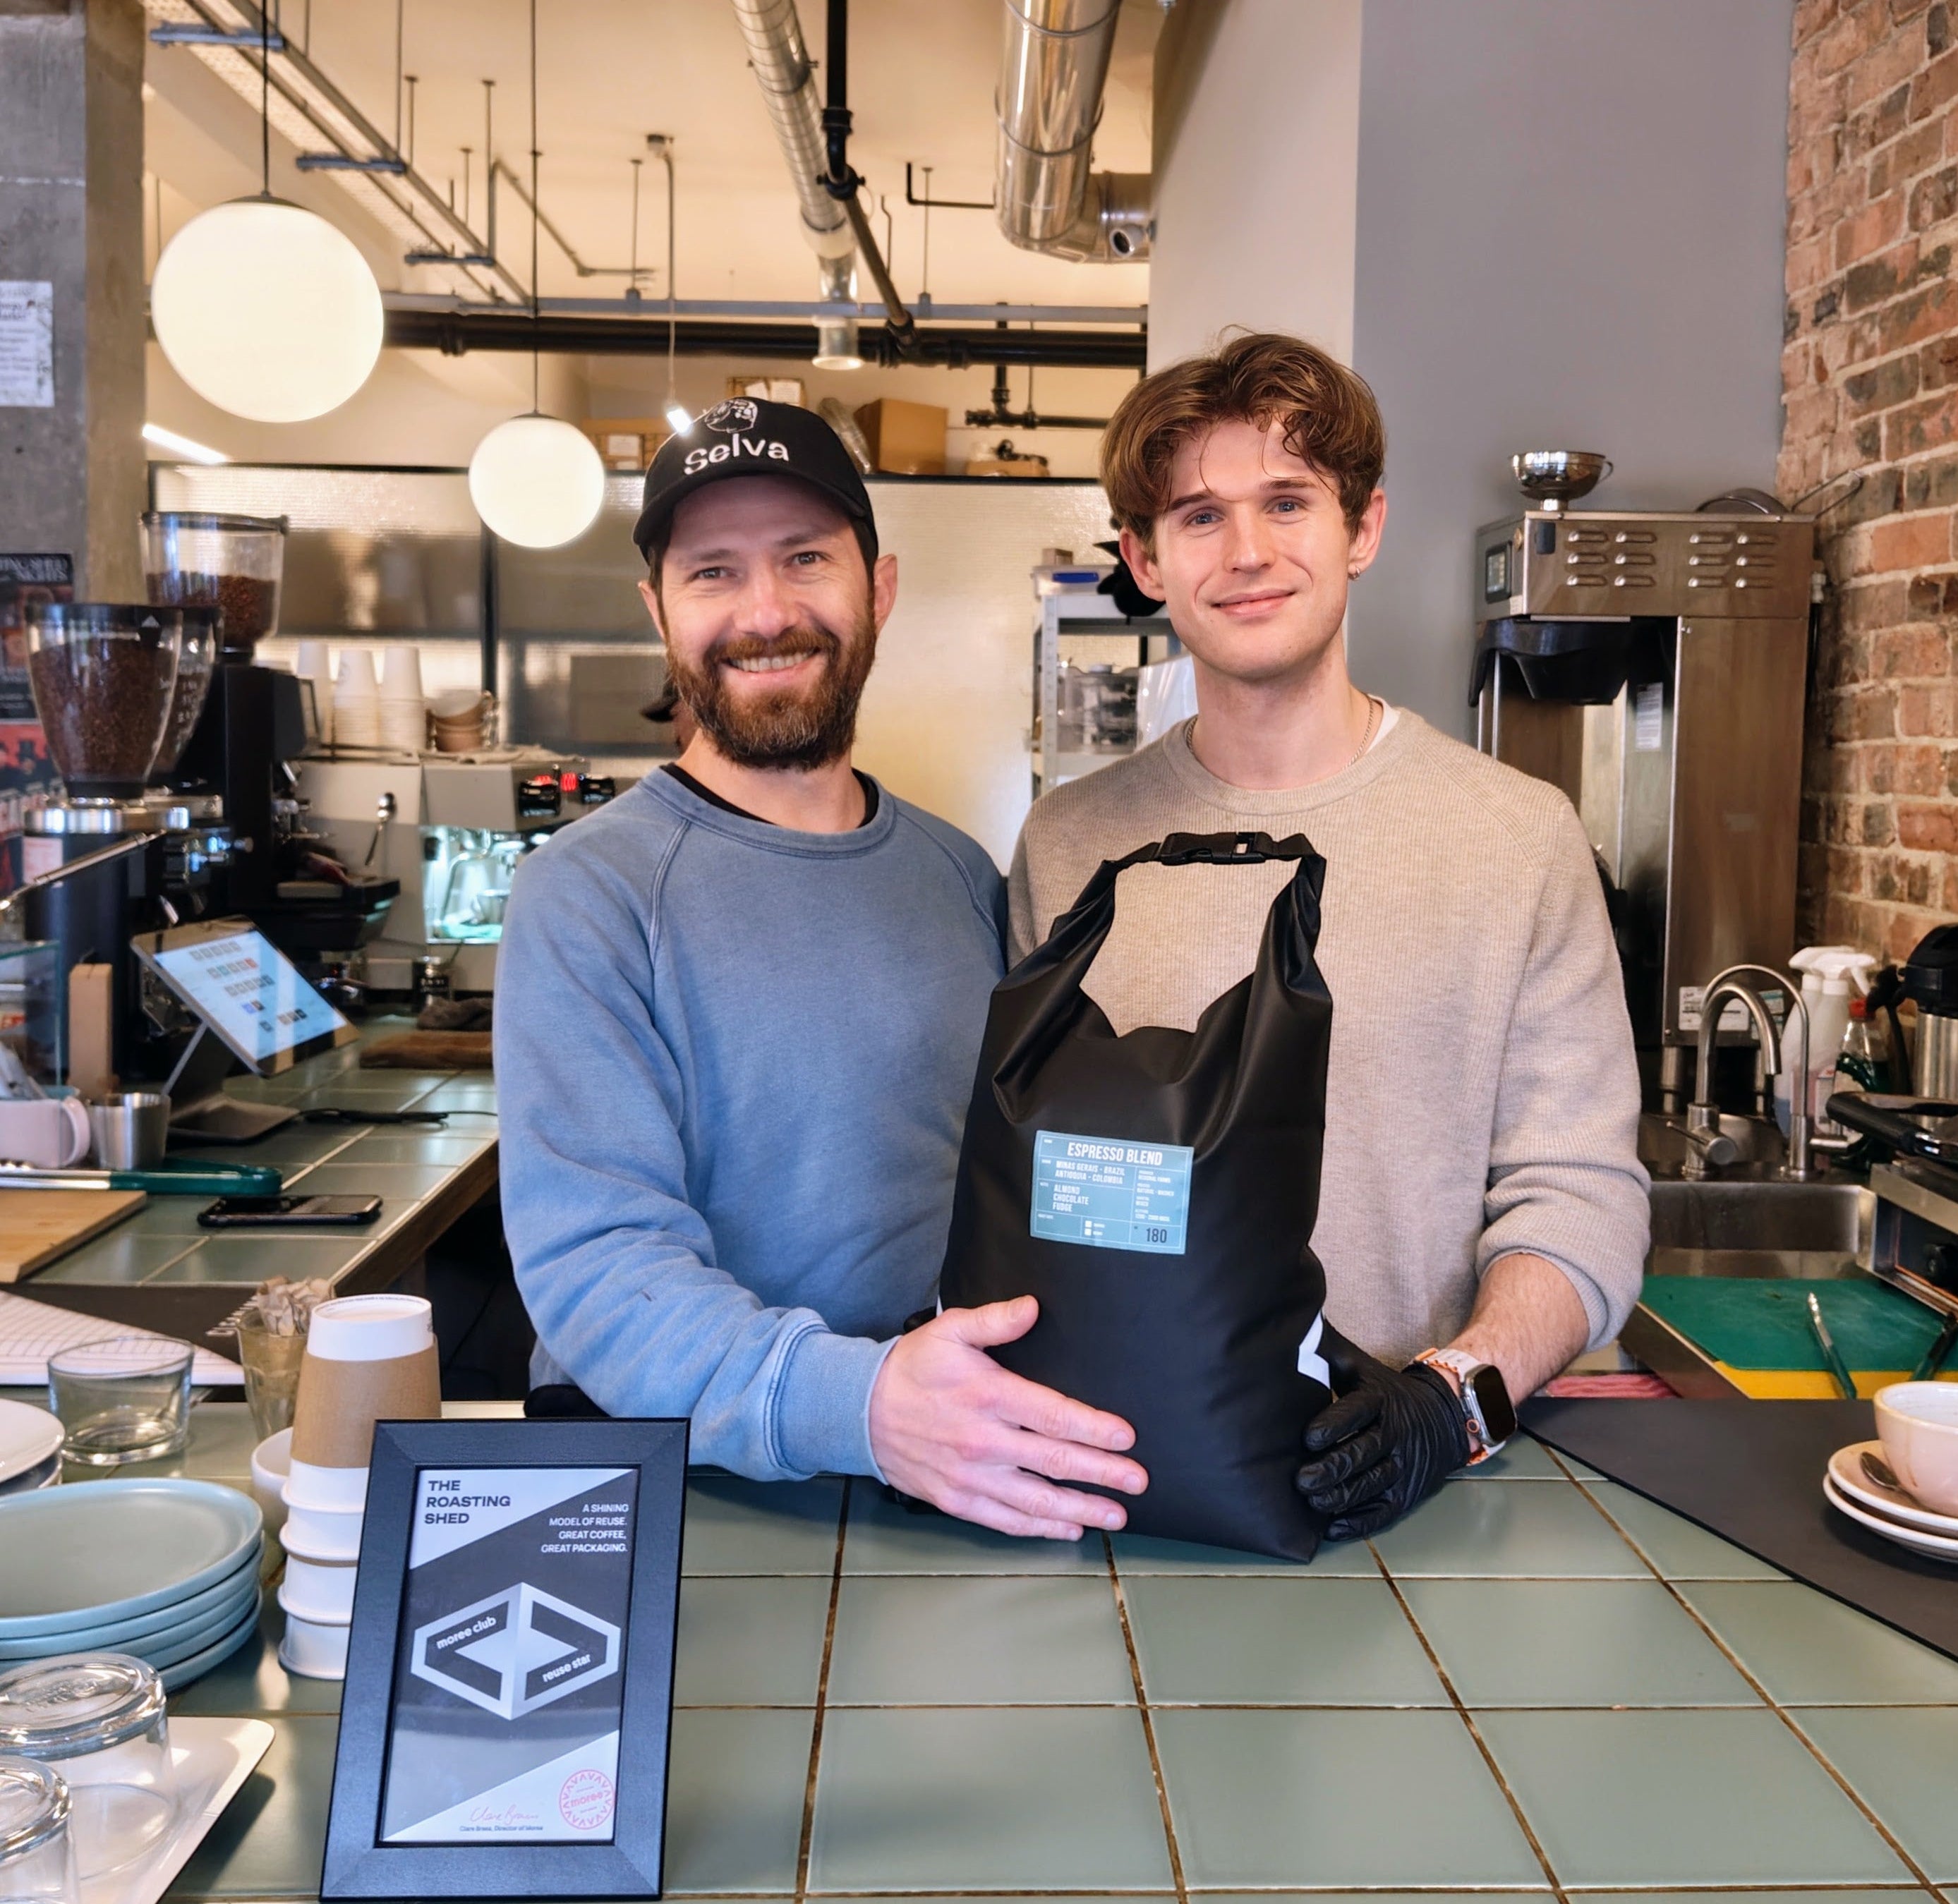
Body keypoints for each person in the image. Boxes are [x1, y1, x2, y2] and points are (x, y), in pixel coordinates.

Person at [1008, 334, 1649, 1542]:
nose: (1247, 551)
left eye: (1287, 502)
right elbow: (1043, 1185)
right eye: (1198, 516)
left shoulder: (1518, 839)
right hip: (1125, 1486)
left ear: (1360, 530)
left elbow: (1580, 1196)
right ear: (1144, 561)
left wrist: (1453, 1401)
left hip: (1430, 1496)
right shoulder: (1067, 847)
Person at [496, 399, 1148, 1540]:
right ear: (659, 611)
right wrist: (865, 1402)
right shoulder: (587, 894)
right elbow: (599, 1267)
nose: (766, 612)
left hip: (939, 1458)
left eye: (805, 559)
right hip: (693, 1487)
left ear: (877, 588)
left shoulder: (957, 875)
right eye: (713, 573)